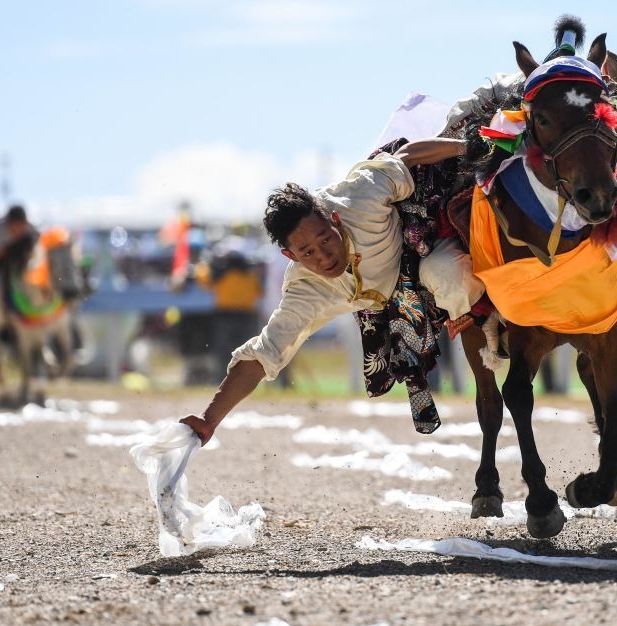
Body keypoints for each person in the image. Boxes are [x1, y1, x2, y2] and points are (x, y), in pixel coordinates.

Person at [180, 138, 484, 442]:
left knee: (448, 272)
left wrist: (471, 143)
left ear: (334, 219)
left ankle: (494, 325)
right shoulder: (305, 289)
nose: (324, 257)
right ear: (291, 257)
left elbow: (407, 155)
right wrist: (209, 419)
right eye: (308, 253)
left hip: (420, 241)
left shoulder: (362, 196)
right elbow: (265, 352)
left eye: (326, 239)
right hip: (384, 303)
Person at [194, 246, 263, 381]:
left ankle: (223, 380)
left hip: (227, 315)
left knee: (224, 351)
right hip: (245, 316)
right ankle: (246, 380)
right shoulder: (250, 276)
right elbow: (259, 293)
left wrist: (209, 264)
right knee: (247, 351)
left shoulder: (222, 275)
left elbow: (203, 280)